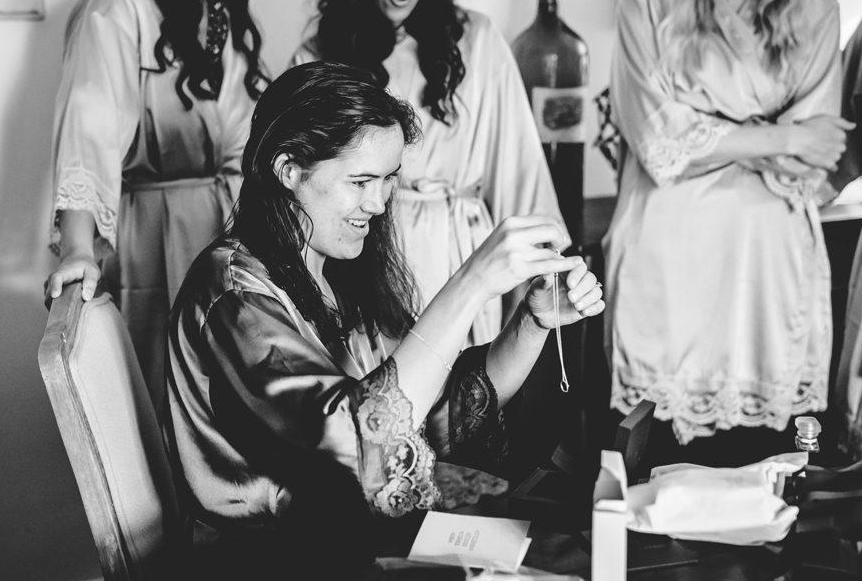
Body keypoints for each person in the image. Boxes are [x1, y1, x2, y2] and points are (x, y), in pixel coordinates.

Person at [162, 62, 604, 575]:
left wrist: (532, 322)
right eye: (360, 181)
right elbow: (356, 436)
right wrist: (471, 284)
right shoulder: (234, 294)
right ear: (288, 171)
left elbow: (426, 419)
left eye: (389, 179)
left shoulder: (335, 271)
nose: (377, 203)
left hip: (351, 540)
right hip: (268, 561)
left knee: (561, 556)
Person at [607, 0, 851, 446]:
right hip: (669, 258)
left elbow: (817, 153)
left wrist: (703, 135)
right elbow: (654, 137)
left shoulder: (817, 7)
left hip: (766, 261)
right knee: (651, 461)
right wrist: (782, 135)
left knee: (765, 472)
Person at [45, 0, 279, 412]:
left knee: (233, 413)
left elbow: (246, 138)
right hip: (154, 235)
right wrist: (77, 250)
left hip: (227, 236)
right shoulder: (120, 0)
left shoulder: (221, 8)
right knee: (166, 402)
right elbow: (91, 127)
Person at [297, 0, 562, 348]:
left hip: (461, 253)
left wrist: (545, 277)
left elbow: (519, 167)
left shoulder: (476, 41)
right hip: (365, 259)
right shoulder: (319, 54)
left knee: (465, 397)